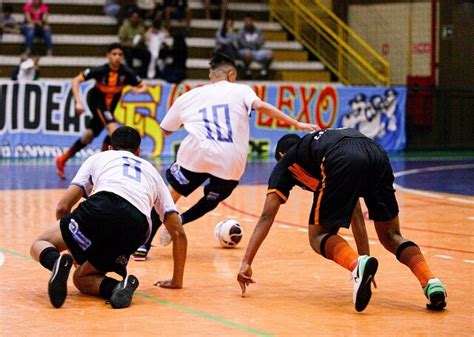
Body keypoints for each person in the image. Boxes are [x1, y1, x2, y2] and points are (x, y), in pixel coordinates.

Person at [132, 53, 319, 260]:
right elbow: (261, 107)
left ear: (211, 76)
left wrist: (194, 121)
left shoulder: (190, 96)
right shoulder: (241, 90)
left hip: (196, 155)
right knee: (211, 201)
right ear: (232, 74)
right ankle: (181, 221)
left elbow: (166, 129)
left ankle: (143, 245)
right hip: (230, 161)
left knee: (169, 197)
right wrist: (296, 123)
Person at [237, 129, 448, 312]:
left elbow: (266, 215)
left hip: (341, 156)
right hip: (376, 152)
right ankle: (431, 282)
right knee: (392, 236)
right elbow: (355, 211)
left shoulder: (287, 162)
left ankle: (356, 265)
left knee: (318, 235)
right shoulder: (314, 146)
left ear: (281, 155)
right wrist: (366, 260)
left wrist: (246, 263)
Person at [31, 126, 187, 309]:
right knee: (81, 278)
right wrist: (177, 280)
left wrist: (72, 250)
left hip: (103, 205)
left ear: (110, 147)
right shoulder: (152, 172)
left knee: (40, 244)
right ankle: (118, 287)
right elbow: (178, 232)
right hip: (137, 226)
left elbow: (63, 206)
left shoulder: (100, 157)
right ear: (138, 152)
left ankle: (55, 262)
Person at [55, 43, 148, 179]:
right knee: (113, 130)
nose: (117, 57)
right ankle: (107, 167)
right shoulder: (100, 70)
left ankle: (63, 159)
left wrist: (137, 90)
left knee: (89, 135)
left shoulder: (126, 73)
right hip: (96, 101)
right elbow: (76, 80)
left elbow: (144, 86)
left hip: (109, 108)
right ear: (108, 56)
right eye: (114, 54)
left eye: (120, 55)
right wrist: (79, 102)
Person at [237, 13, 273, 79]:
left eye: (249, 21)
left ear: (252, 21)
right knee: (247, 53)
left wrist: (251, 44)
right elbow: (242, 43)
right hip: (245, 51)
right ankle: (247, 71)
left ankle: (264, 72)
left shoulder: (258, 31)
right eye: (246, 21)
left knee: (270, 53)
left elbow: (262, 41)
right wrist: (254, 43)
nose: (247, 22)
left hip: (256, 51)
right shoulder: (241, 32)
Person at [119, 10, 151, 78]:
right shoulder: (124, 27)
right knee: (128, 53)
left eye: (137, 18)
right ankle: (130, 73)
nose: (135, 19)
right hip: (128, 47)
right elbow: (121, 42)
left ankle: (143, 73)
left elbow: (143, 40)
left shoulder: (141, 28)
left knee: (147, 54)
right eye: (133, 17)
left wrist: (143, 40)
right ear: (130, 18)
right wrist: (130, 44)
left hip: (137, 47)